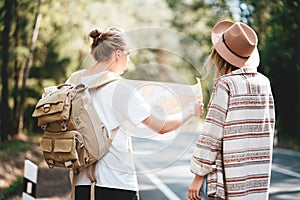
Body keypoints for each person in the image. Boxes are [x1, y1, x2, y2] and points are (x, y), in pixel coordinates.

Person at [68, 27, 204, 200]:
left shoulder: (73, 81)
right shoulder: (121, 88)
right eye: (128, 54)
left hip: (80, 184)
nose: (129, 60)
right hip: (115, 184)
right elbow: (161, 126)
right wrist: (190, 111)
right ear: (118, 54)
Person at [188, 20, 275, 200]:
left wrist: (198, 175)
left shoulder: (226, 84)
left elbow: (211, 134)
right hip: (258, 181)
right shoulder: (264, 83)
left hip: (230, 184)